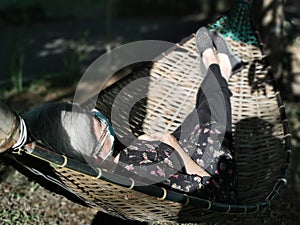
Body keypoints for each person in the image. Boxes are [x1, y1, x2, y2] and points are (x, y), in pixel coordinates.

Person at [0, 27, 242, 203]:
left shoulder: (114, 163)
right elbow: (210, 187)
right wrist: (171, 143)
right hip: (212, 158)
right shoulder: (136, 174)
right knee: (212, 107)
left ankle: (220, 68)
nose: (104, 121)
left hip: (185, 144)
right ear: (94, 154)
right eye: (100, 126)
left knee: (202, 110)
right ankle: (218, 65)